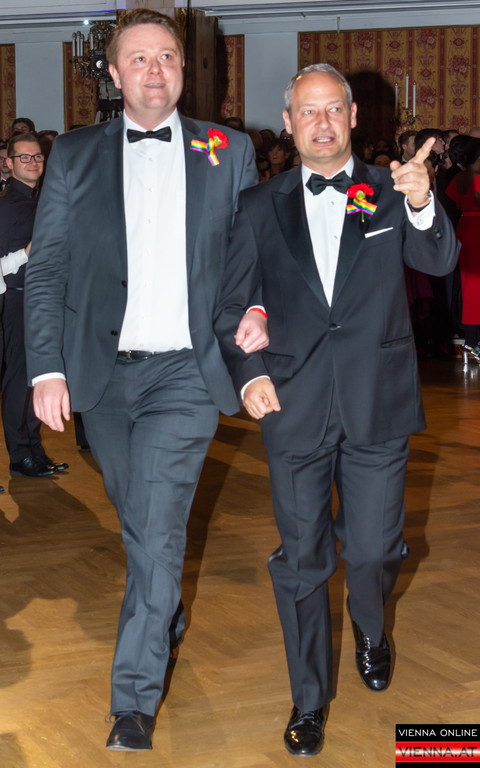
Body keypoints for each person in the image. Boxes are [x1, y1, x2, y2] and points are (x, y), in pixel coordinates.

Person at [24, 8, 257, 753]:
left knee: (156, 529)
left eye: (167, 57)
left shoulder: (229, 150)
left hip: (186, 374)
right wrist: (46, 366)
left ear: (184, 70)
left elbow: (249, 259)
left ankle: (133, 699)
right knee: (143, 526)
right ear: (114, 73)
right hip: (102, 377)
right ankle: (163, 607)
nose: (155, 70)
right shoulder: (75, 154)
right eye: (139, 58)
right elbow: (47, 268)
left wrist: (256, 313)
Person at [214, 63, 458, 758]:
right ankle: (309, 696)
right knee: (301, 560)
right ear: (288, 124)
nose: (320, 123)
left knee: (375, 549)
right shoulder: (258, 205)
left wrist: (422, 203)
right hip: (292, 404)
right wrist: (249, 375)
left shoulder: (390, 188)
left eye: (332, 110)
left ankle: (371, 624)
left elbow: (438, 262)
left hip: (377, 400)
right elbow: (231, 306)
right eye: (307, 111)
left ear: (353, 118)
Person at [0, 132, 67, 478]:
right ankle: (19, 454)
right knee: (20, 380)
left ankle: (34, 451)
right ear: (9, 163)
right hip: (17, 299)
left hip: (47, 299)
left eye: (38, 156)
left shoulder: (46, 201)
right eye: (24, 157)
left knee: (39, 376)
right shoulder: (4, 207)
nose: (33, 162)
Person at [445, 138, 480, 361]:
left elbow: (452, 202)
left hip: (465, 229)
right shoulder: (476, 179)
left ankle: (471, 340)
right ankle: (473, 342)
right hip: (476, 231)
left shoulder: (460, 178)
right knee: (474, 286)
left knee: (469, 286)